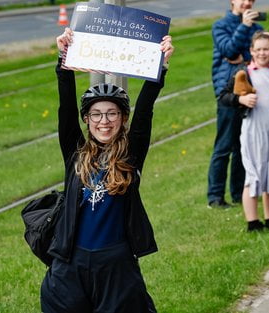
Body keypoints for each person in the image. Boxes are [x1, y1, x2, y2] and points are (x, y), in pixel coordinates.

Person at [40, 28, 174, 312]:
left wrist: (160, 66)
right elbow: (65, 108)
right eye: (96, 114)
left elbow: (146, 110)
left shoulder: (131, 154)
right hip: (71, 263)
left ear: (122, 118)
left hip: (115, 263)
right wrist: (64, 60)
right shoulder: (75, 153)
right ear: (87, 120)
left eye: (112, 113)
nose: (104, 121)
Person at [219, 31, 269, 231]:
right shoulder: (243, 72)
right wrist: (240, 99)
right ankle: (253, 222)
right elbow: (223, 96)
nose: (262, 53)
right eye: (258, 50)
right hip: (255, 130)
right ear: (251, 51)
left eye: (266, 49)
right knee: (254, 173)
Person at [207, 0, 263, 209]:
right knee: (224, 146)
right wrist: (244, 27)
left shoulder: (258, 28)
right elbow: (229, 50)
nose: (246, 3)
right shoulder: (220, 25)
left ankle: (239, 193)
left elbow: (259, 56)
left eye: (250, 0)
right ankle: (215, 197)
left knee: (243, 146)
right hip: (228, 93)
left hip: (251, 91)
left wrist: (244, 58)